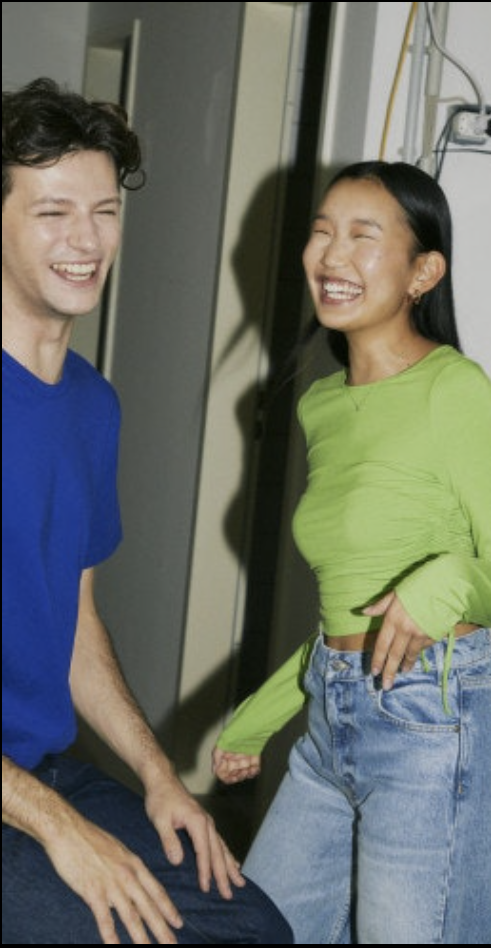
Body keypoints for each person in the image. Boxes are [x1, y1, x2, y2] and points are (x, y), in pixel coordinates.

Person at [212, 160, 491, 944]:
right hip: (333, 722)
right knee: (257, 931)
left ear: (424, 271)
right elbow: (353, 607)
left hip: (432, 727)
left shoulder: (454, 390)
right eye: (323, 232)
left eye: (365, 236)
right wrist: (261, 716)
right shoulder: (323, 403)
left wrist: (449, 583)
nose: (332, 255)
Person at [2, 77, 293, 946]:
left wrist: (158, 772)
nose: (86, 240)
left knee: (250, 931)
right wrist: (62, 830)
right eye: (51, 212)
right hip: (29, 801)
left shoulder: (92, 405)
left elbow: (76, 620)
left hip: (36, 768)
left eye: (102, 210)